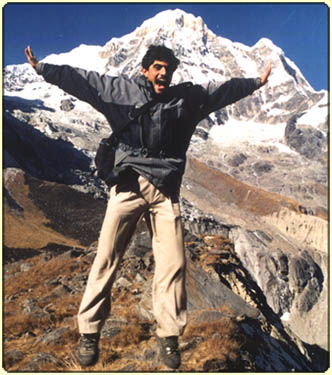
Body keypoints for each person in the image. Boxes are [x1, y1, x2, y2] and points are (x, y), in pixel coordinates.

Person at [25, 44, 271, 369]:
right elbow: (83, 82)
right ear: (145, 70)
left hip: (165, 191)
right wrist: (44, 69)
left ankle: (168, 336)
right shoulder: (120, 91)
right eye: (157, 67)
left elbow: (221, 92)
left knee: (173, 264)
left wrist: (255, 82)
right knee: (105, 258)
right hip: (128, 186)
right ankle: (89, 331)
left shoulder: (186, 98)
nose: (163, 73)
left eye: (167, 68)